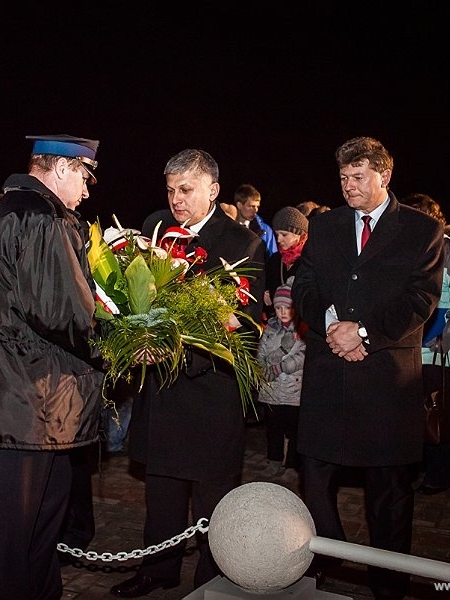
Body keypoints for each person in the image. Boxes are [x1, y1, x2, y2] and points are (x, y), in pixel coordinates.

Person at [0, 134, 104, 600]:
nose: (86, 191)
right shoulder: (42, 219)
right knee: (13, 544)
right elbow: (64, 314)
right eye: (84, 177)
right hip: (28, 403)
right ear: (61, 168)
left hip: (12, 401)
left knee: (28, 537)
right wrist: (123, 346)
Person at [292, 137, 443, 599]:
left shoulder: (422, 230)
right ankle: (326, 553)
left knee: (389, 495)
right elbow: (304, 285)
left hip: (385, 385)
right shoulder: (324, 225)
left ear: (385, 176)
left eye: (358, 177)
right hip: (329, 377)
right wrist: (333, 327)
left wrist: (363, 333)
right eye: (343, 177)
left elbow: (420, 299)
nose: (349, 186)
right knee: (313, 476)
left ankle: (388, 586)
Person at [111, 149, 265, 597]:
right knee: (160, 488)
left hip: (209, 392)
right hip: (159, 391)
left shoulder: (242, 243)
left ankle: (211, 578)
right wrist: (135, 340)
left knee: (211, 496)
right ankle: (157, 570)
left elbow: (244, 327)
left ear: (213, 190)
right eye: (170, 190)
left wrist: (176, 353)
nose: (175, 199)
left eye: (186, 189)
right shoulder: (156, 227)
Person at [403, 193, 450, 495]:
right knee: (409, 411)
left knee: (436, 408)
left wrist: (445, 336)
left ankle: (438, 474)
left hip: (437, 347)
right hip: (406, 346)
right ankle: (412, 468)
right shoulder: (404, 247)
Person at [256, 280, 306, 481]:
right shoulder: (270, 328)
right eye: (278, 308)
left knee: (294, 430)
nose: (283, 312)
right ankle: (274, 460)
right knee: (273, 429)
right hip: (272, 388)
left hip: (294, 389)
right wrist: (263, 368)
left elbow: (302, 356)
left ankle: (292, 464)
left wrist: (279, 366)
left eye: (287, 308)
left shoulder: (302, 329)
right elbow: (261, 353)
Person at [262, 206, 309, 320]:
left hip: (304, 324)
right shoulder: (275, 260)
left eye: (284, 235)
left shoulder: (310, 259)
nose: (278, 240)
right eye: (277, 234)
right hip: (278, 323)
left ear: (298, 234)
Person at [232, 183, 277, 257]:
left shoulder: (265, 231)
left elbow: (273, 258)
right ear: (239, 205)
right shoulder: (227, 226)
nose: (255, 210)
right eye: (251, 206)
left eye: (257, 206)